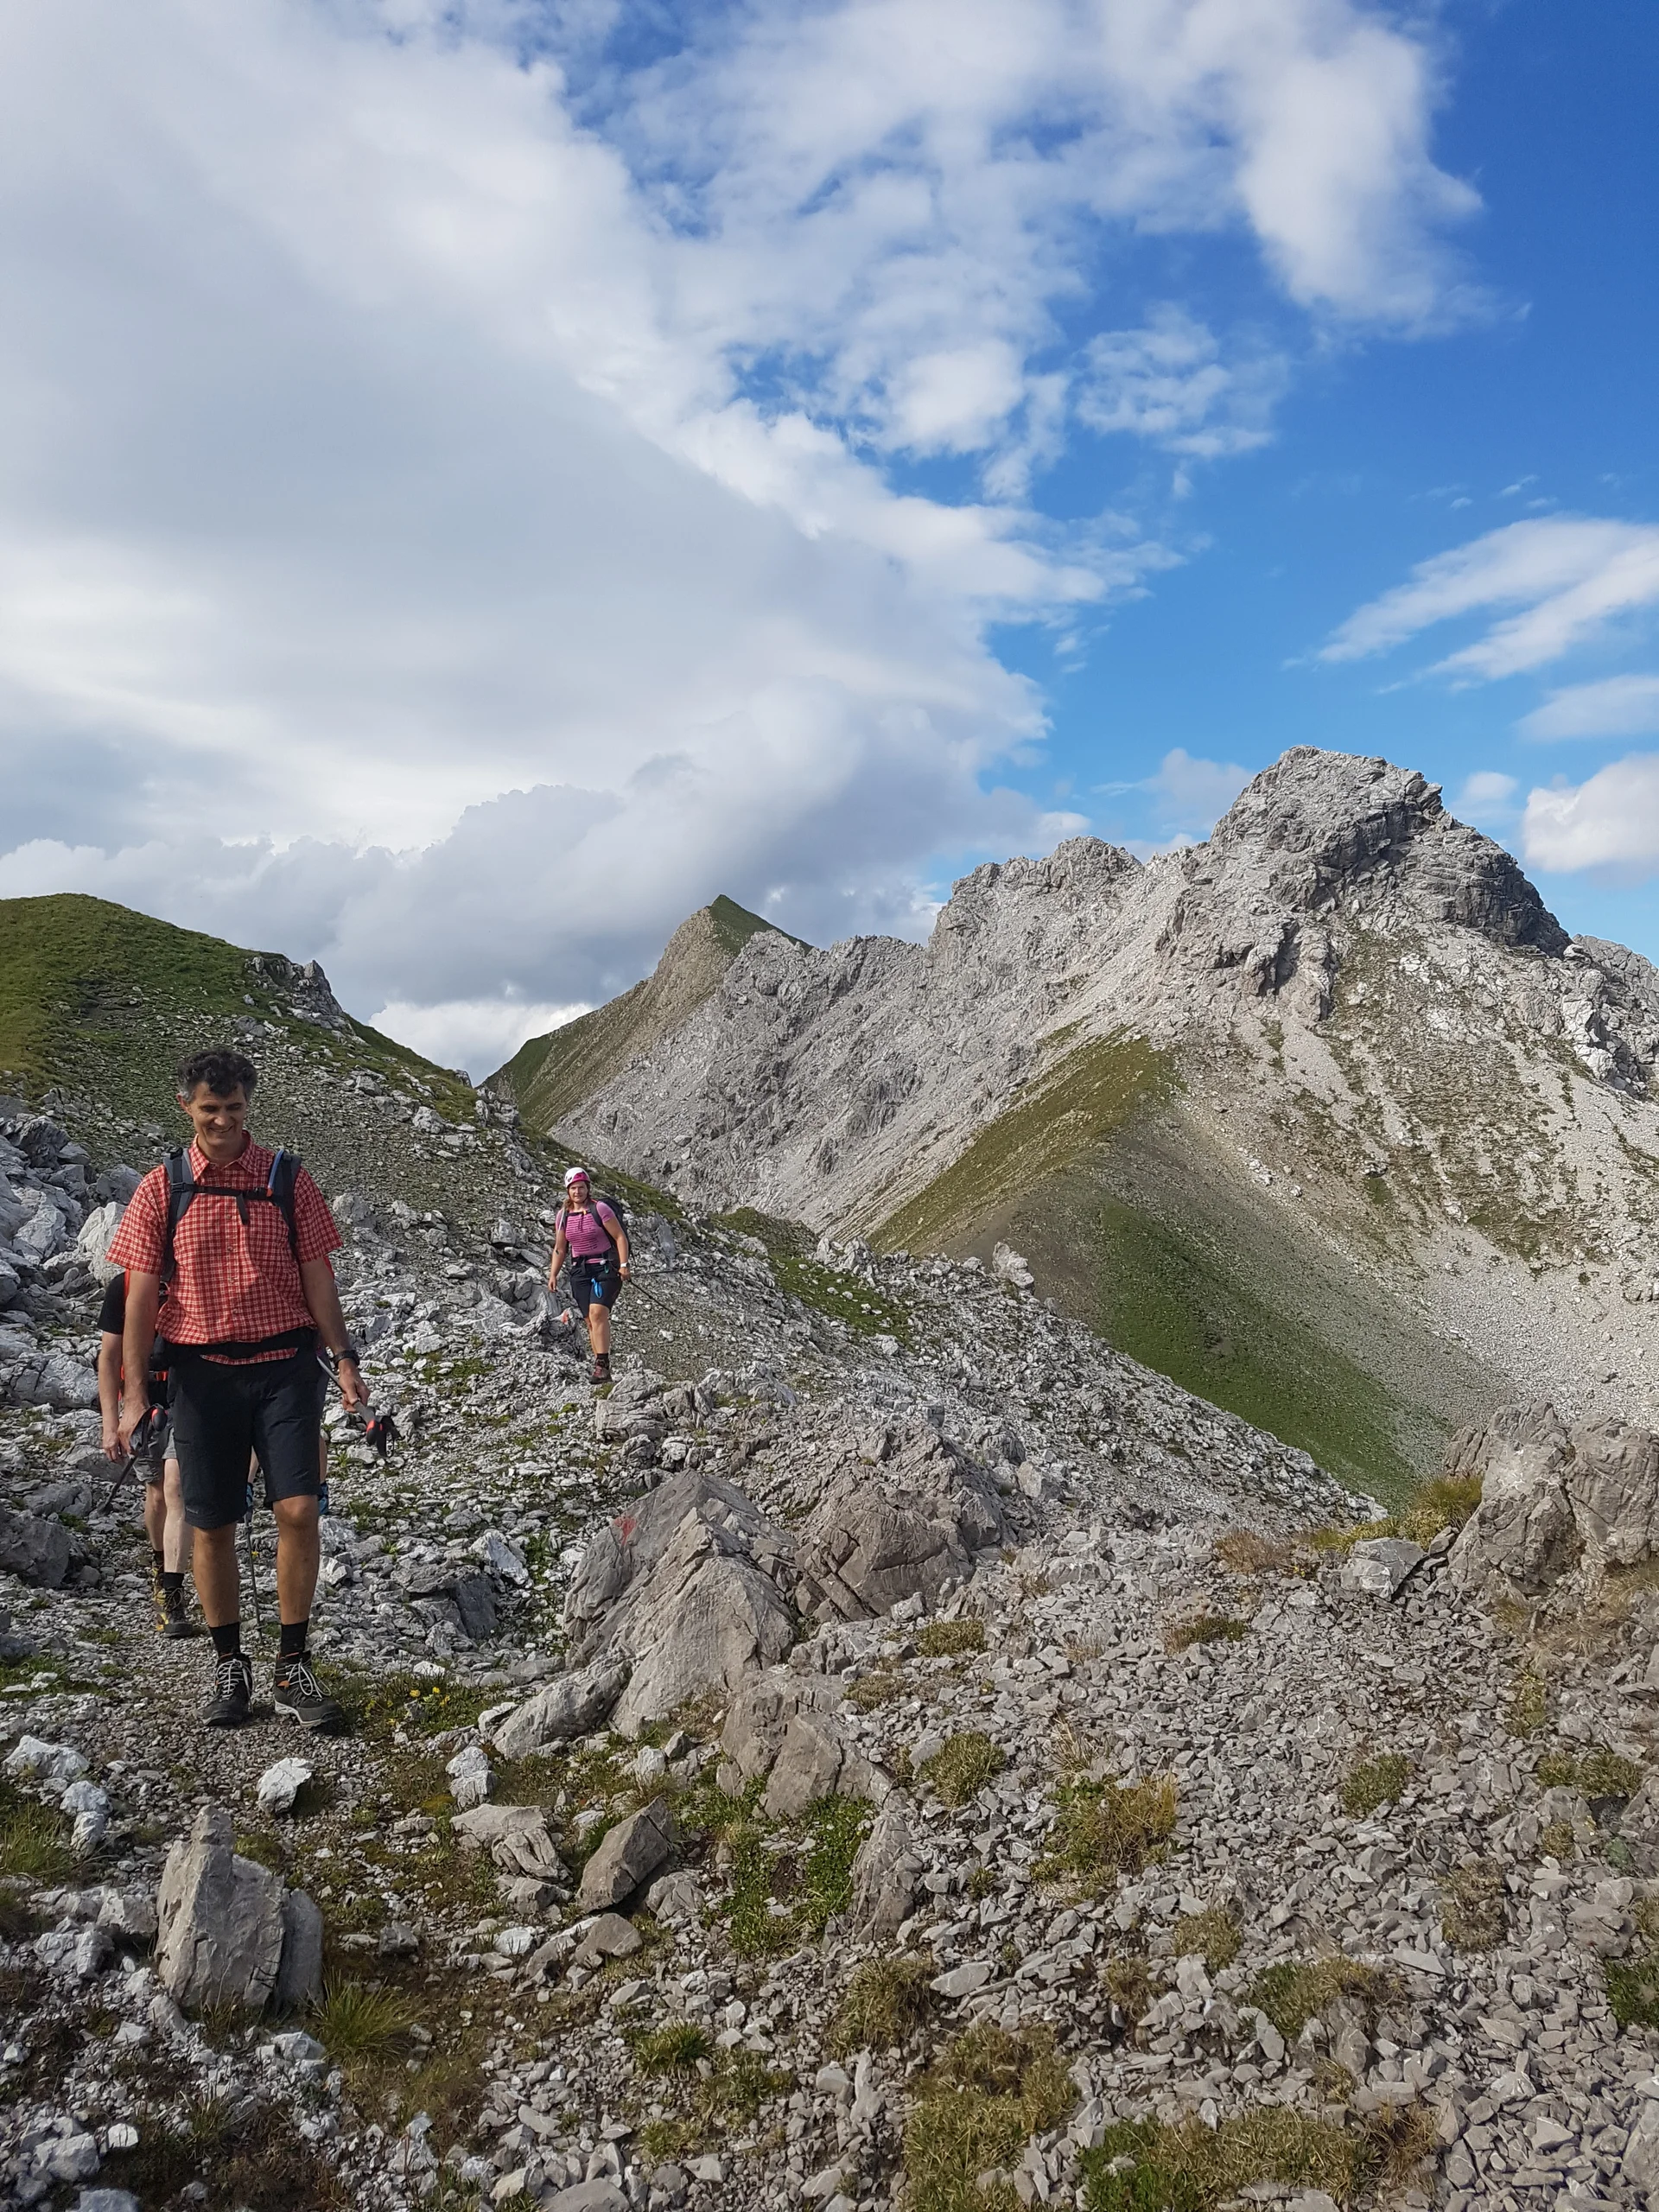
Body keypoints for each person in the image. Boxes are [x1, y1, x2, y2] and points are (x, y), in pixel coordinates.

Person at [108, 1046, 365, 1733]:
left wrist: (344, 1357)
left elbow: (318, 1275)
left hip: (285, 1366)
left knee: (300, 1509)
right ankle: (230, 1665)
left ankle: (291, 1662)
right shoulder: (161, 1187)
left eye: (235, 1109)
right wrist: (134, 1396)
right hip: (200, 1374)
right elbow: (139, 1298)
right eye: (210, 1109)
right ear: (186, 1106)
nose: (223, 1122)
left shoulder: (288, 1179)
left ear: (250, 1105)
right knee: (211, 1521)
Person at [96, 1268, 195, 1637]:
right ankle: (161, 1564)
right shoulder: (123, 1286)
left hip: (189, 1395)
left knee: (176, 1486)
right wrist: (111, 1423)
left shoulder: (197, 1273)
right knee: (156, 1492)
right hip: (144, 1400)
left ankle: (172, 1592)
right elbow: (108, 1357)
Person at [548, 1166, 630, 1382]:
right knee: (589, 1321)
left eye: (581, 1187)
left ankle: (601, 1366)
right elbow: (560, 1248)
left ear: (588, 1188)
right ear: (568, 1190)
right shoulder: (563, 1215)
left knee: (597, 1314)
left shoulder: (600, 1209)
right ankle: (601, 1368)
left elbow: (620, 1237)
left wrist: (623, 1265)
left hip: (606, 1267)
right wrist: (553, 1274)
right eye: (573, 1188)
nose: (578, 1192)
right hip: (580, 1271)